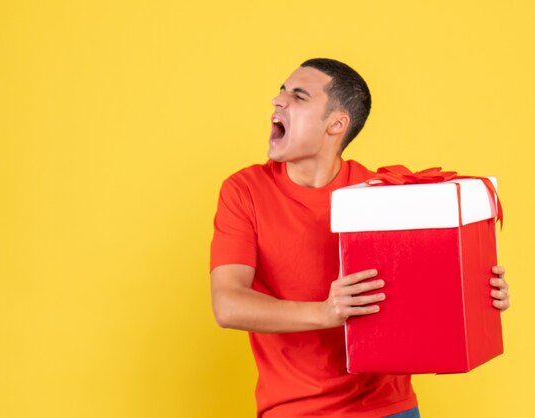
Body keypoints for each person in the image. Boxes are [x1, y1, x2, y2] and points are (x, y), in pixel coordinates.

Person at [209, 58, 511, 418]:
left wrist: (475, 294)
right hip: (294, 410)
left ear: (336, 124)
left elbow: (415, 294)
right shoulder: (245, 191)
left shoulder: (379, 195)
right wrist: (324, 312)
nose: (278, 100)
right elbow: (227, 304)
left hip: (388, 408)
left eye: (299, 96)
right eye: (281, 90)